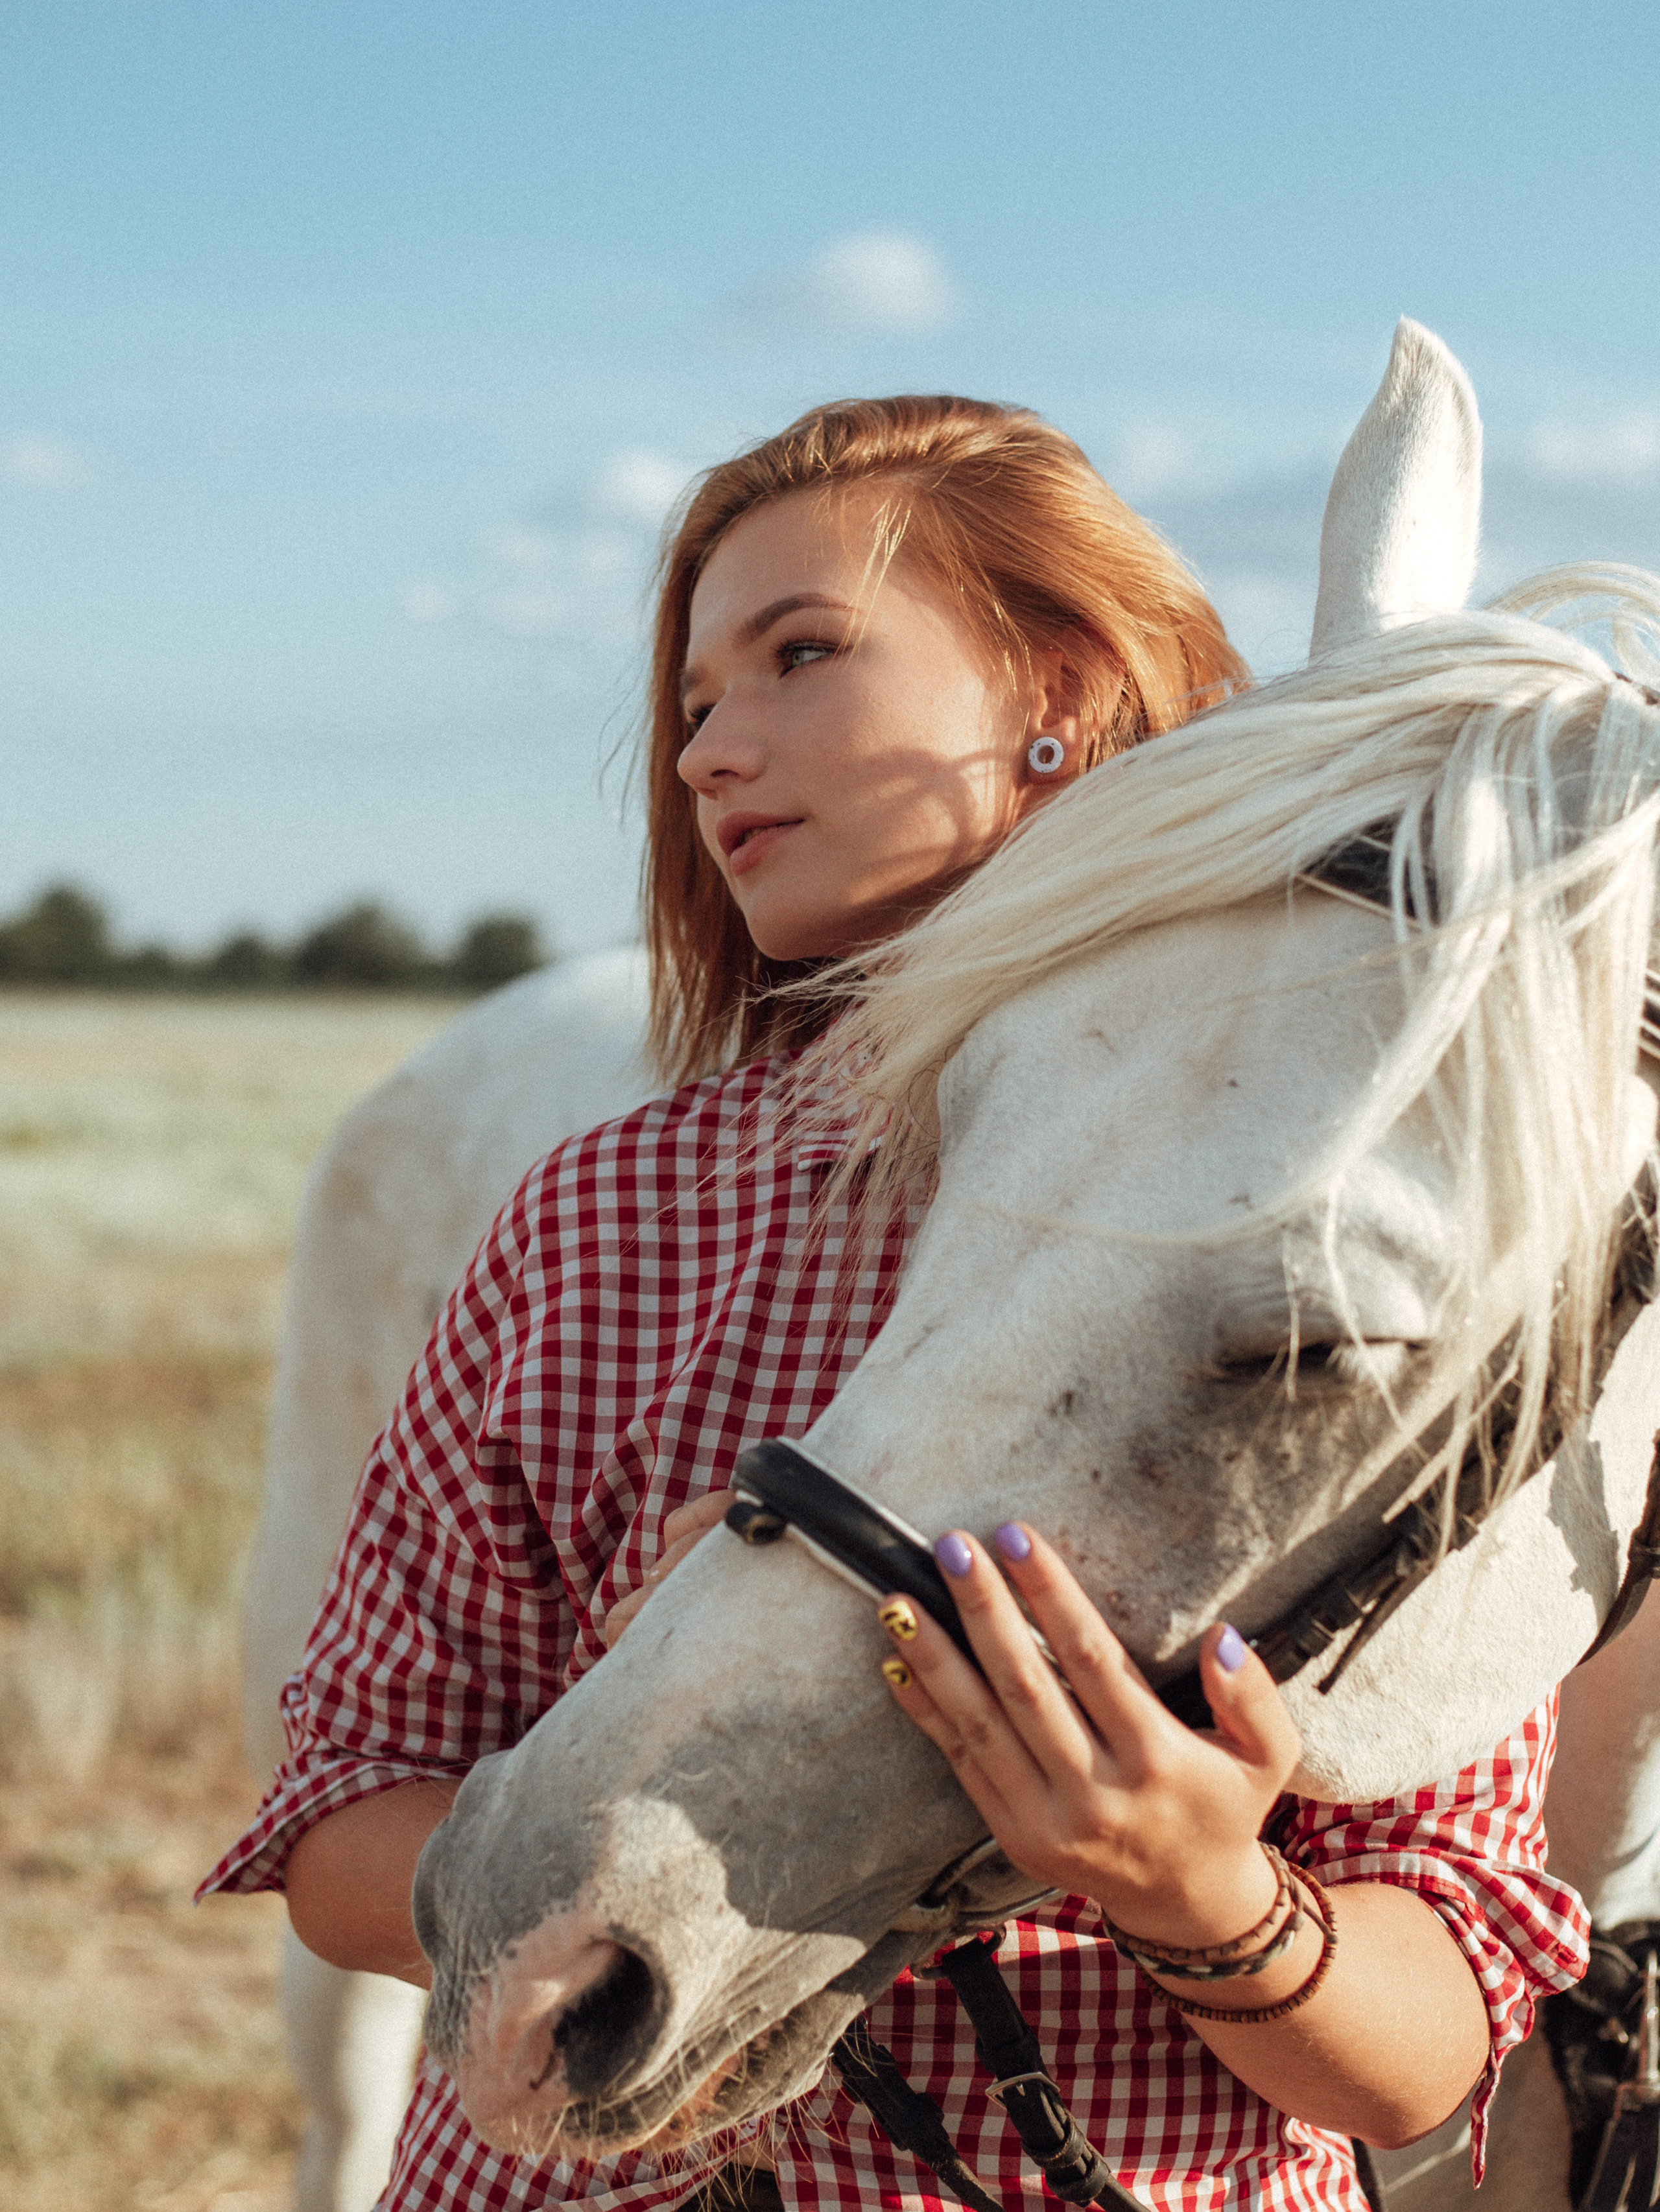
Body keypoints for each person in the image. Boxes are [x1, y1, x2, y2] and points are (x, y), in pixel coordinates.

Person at [202, 395, 1587, 2212]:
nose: (710, 753)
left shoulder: (1319, 1258)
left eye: (800, 655)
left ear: (1061, 691)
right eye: (693, 702)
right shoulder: (606, 1216)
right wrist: (646, 1744)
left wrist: (1203, 1895)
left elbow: (1445, 2012)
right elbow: (335, 1831)